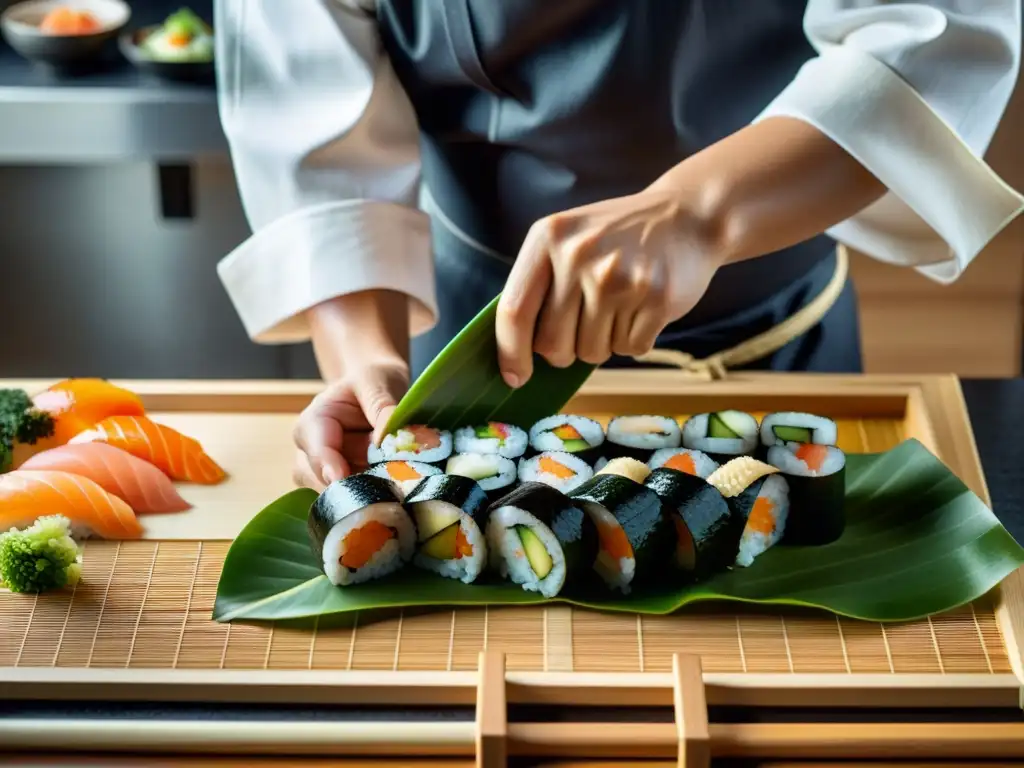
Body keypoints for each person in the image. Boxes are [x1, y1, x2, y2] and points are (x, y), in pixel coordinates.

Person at [213, 0, 1023, 490]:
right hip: (473, 368)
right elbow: (312, 118)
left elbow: (933, 36)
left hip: (785, 348)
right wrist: (362, 358)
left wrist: (696, 212)